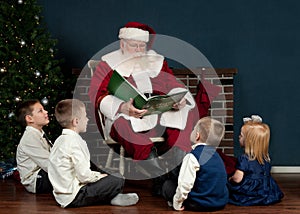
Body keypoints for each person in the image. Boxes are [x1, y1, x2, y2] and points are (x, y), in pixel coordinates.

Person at [88, 22, 197, 179]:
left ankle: (179, 166)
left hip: (158, 113)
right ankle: (159, 174)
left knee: (184, 113)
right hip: (129, 114)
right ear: (122, 44)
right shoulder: (108, 64)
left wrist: (178, 98)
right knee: (122, 125)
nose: (139, 50)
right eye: (134, 46)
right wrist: (122, 107)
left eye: (142, 46)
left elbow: (172, 83)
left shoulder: (156, 60)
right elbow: (96, 94)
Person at [48, 99, 139, 208]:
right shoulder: (74, 142)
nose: (87, 119)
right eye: (85, 116)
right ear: (76, 121)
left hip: (61, 196)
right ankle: (112, 197)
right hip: (75, 196)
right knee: (118, 179)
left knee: (101, 171)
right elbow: (84, 176)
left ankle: (111, 196)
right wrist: (99, 177)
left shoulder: (60, 140)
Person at [162, 116, 229, 211]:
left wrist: (177, 203)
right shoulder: (217, 157)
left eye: (193, 129)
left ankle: (174, 200)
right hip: (218, 202)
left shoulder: (192, 156)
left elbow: (185, 184)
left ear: (197, 136)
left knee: (167, 186)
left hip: (198, 203)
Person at [227, 116, 284, 206]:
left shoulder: (244, 158)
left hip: (250, 191)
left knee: (228, 185)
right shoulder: (265, 157)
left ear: (249, 141)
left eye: (241, 135)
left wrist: (230, 179)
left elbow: (237, 179)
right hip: (265, 190)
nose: (239, 137)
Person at [16, 99, 53, 193]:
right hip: (37, 180)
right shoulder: (29, 138)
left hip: (44, 172)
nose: (46, 112)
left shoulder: (38, 133)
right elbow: (49, 164)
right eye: (40, 111)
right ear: (29, 118)